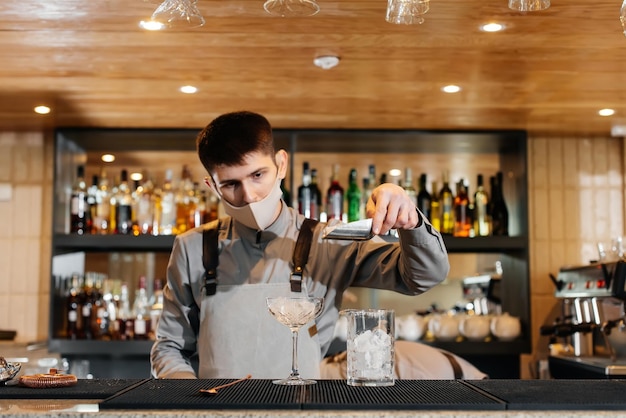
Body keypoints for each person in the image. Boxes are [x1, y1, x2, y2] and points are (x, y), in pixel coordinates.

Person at [150, 111, 450, 379]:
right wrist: (191, 406)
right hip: (217, 413)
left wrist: (411, 222)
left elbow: (422, 277)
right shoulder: (192, 248)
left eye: (258, 175)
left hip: (301, 409)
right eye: (231, 184)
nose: (250, 195)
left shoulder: (329, 241)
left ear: (281, 164)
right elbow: (169, 348)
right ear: (212, 186)